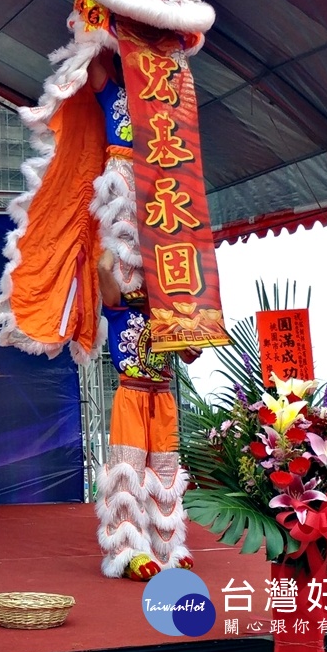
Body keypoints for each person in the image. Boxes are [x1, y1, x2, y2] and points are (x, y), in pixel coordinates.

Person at [94, 248, 199, 581]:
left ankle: (166, 550)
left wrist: (191, 343)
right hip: (132, 396)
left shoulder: (167, 315)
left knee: (165, 475)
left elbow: (190, 353)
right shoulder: (119, 308)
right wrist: (116, 245)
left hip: (163, 400)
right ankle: (127, 552)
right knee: (128, 473)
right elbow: (102, 268)